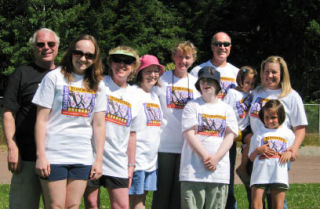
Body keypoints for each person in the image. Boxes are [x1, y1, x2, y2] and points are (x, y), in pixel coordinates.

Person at [32, 34, 106, 208]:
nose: (83, 58)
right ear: (71, 52)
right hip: (54, 153)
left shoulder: (98, 85)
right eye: (78, 52)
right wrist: (41, 155)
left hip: (82, 154)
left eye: (89, 55)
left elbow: (99, 124)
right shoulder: (54, 77)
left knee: (73, 206)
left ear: (95, 59)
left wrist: (99, 159)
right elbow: (41, 120)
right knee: (55, 206)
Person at [2, 28, 59, 209]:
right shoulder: (22, 73)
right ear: (34, 48)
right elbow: (9, 112)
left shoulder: (66, 76)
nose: (46, 48)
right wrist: (12, 146)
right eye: (40, 44)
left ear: (57, 46)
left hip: (58, 157)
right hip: (26, 156)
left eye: (51, 44)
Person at [84, 46, 142, 209]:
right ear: (110, 63)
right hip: (92, 155)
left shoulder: (135, 95)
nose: (122, 65)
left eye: (128, 61)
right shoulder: (99, 84)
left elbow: (132, 134)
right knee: (91, 203)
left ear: (134, 66)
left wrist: (131, 166)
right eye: (117, 60)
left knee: (122, 206)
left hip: (118, 159)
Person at [248, 56, 308, 209]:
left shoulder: (291, 96)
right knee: (256, 194)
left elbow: (300, 128)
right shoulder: (256, 93)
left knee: (277, 198)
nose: (269, 76)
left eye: (274, 72)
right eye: (266, 71)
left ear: (282, 74)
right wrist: (248, 140)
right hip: (257, 151)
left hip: (279, 154)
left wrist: (293, 149)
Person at [190, 31, 240, 209]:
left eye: (226, 44)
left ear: (230, 47)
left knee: (226, 180)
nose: (222, 47)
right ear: (212, 46)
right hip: (203, 133)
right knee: (199, 179)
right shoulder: (197, 70)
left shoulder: (237, 72)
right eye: (218, 44)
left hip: (226, 134)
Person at [180, 66, 238, 209]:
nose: (206, 84)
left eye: (211, 81)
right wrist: (206, 157)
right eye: (203, 81)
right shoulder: (192, 106)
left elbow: (230, 136)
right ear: (198, 84)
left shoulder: (227, 109)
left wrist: (216, 158)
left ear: (218, 85)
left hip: (218, 172)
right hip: (193, 172)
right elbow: (189, 134)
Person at [152, 41, 200, 209]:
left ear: (193, 59)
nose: (183, 61)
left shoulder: (197, 84)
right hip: (164, 145)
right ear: (173, 57)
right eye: (179, 56)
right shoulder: (161, 80)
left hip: (187, 146)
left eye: (187, 57)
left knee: (180, 195)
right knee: (162, 193)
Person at [129, 55, 164, 209]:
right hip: (136, 160)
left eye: (156, 71)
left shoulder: (154, 95)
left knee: (142, 199)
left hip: (150, 160)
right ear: (140, 73)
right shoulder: (133, 93)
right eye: (148, 71)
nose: (153, 75)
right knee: (134, 202)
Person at [249, 100, 295, 209]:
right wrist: (258, 150)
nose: (270, 121)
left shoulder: (288, 134)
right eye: (266, 117)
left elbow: (293, 154)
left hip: (279, 174)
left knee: (278, 206)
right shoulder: (258, 134)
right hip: (260, 174)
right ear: (262, 117)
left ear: (281, 116)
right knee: (256, 205)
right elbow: (251, 157)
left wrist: (289, 153)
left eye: (273, 117)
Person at [224, 66, 258, 185]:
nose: (249, 86)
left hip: (244, 129)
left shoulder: (251, 94)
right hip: (232, 129)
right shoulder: (232, 93)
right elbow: (225, 110)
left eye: (252, 83)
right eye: (247, 82)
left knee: (252, 140)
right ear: (240, 80)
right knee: (228, 159)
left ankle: (242, 167)